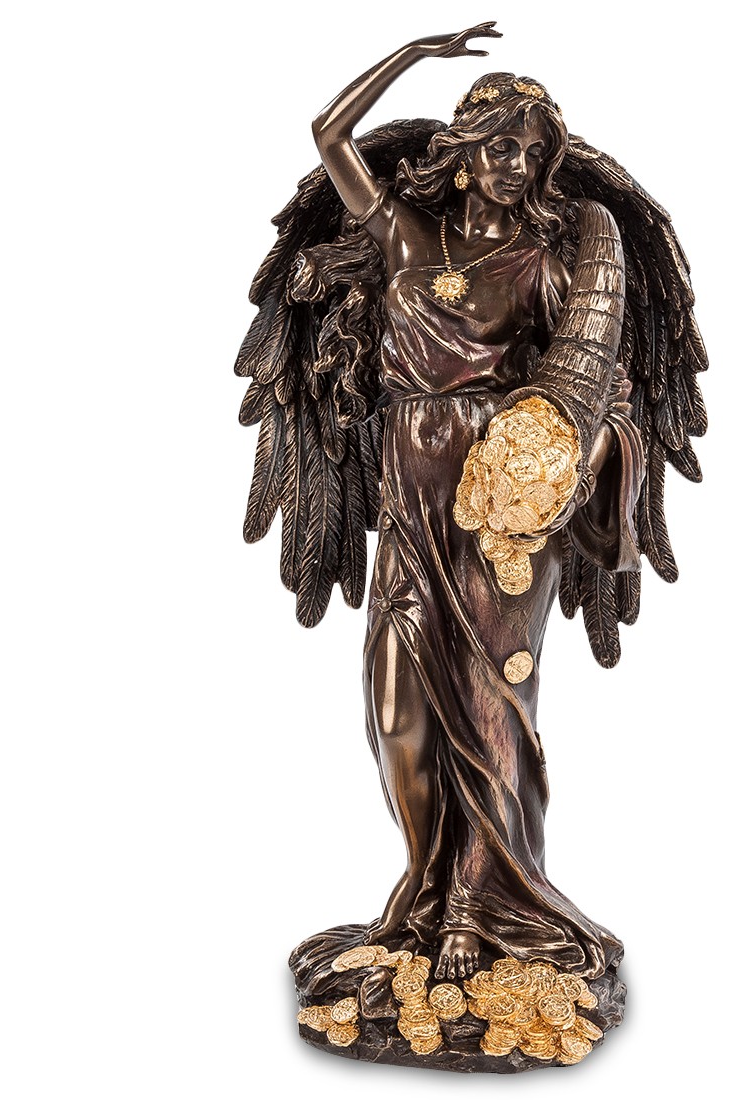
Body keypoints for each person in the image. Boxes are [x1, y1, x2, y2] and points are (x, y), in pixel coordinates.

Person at [236, 22, 706, 990]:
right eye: (498, 143)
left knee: (493, 713)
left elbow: (602, 393)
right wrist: (414, 53)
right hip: (409, 499)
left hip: (497, 515)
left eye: (530, 151)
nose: (513, 163)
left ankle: (471, 910)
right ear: (461, 150)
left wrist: (566, 464)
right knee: (398, 705)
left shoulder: (543, 263)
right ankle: (422, 886)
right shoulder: (406, 237)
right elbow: (329, 137)